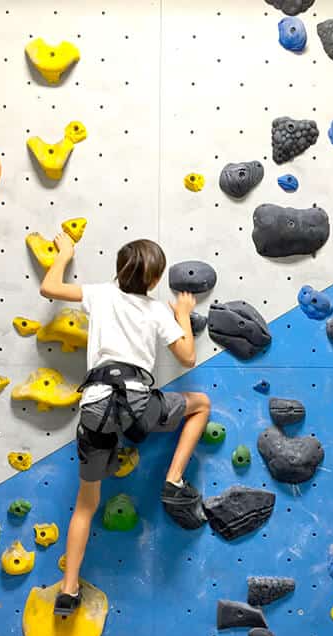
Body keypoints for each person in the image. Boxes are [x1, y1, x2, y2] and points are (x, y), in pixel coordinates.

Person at [39, 233, 211, 615]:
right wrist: (182, 311)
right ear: (153, 281)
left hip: (96, 408)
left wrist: (65, 254)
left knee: (85, 505)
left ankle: (68, 590)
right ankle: (174, 479)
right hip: (138, 406)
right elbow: (187, 358)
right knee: (200, 405)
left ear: (119, 270)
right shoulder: (156, 312)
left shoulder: (99, 294)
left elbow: (49, 287)